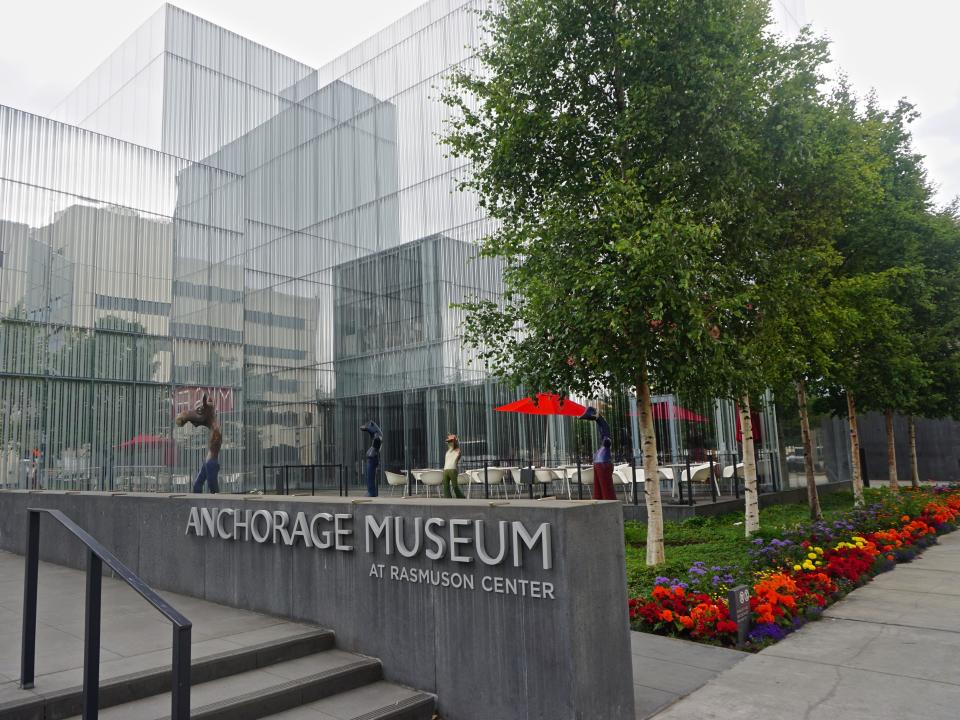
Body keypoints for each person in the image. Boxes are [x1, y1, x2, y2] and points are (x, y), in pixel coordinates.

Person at [176, 394, 221, 494]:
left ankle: (216, 504)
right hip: (208, 461)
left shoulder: (216, 430)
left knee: (212, 488)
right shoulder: (214, 427)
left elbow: (202, 418)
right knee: (197, 484)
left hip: (211, 463)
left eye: (200, 411)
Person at [580, 407, 616, 500]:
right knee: (601, 489)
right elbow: (605, 431)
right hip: (601, 463)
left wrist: (599, 419)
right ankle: (602, 504)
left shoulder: (605, 444)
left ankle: (606, 504)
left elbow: (605, 433)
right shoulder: (604, 446)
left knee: (603, 489)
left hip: (602, 463)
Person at [360, 421, 383, 497]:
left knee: (370, 477)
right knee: (370, 476)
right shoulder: (377, 437)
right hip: (372, 459)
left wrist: (367, 428)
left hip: (372, 459)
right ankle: (371, 491)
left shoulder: (377, 438)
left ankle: (371, 492)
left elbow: (376, 439)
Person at [442, 433, 465, 499]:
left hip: (452, 469)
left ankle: (460, 496)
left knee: (454, 485)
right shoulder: (448, 452)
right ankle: (447, 497)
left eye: (451, 441)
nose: (449, 443)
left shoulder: (457, 450)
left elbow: (458, 457)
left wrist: (455, 441)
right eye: (449, 442)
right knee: (446, 486)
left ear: (454, 442)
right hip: (446, 469)